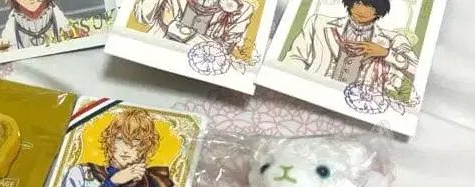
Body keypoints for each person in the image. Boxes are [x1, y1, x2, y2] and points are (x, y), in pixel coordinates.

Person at [59, 108, 174, 187]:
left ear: (146, 146)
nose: (126, 149)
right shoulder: (80, 174)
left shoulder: (157, 184)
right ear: (110, 141)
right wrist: (112, 183)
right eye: (120, 139)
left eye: (136, 141)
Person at [284, 0, 418, 93]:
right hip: (310, 92)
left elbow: (417, 73)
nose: (362, 10)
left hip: (360, 107)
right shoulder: (318, 23)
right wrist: (299, 87)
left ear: (379, 12)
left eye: (370, 8)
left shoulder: (393, 39)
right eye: (358, 3)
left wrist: (386, 53)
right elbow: (295, 57)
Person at [134, 0, 253, 51]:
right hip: (155, 51)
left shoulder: (243, 9)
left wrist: (175, 27)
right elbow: (142, 18)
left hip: (198, 70)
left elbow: (221, 51)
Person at [0, 0, 71, 51]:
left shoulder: (54, 11)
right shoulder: (15, 17)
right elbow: (8, 36)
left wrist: (67, 30)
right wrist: (6, 39)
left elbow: (65, 27)